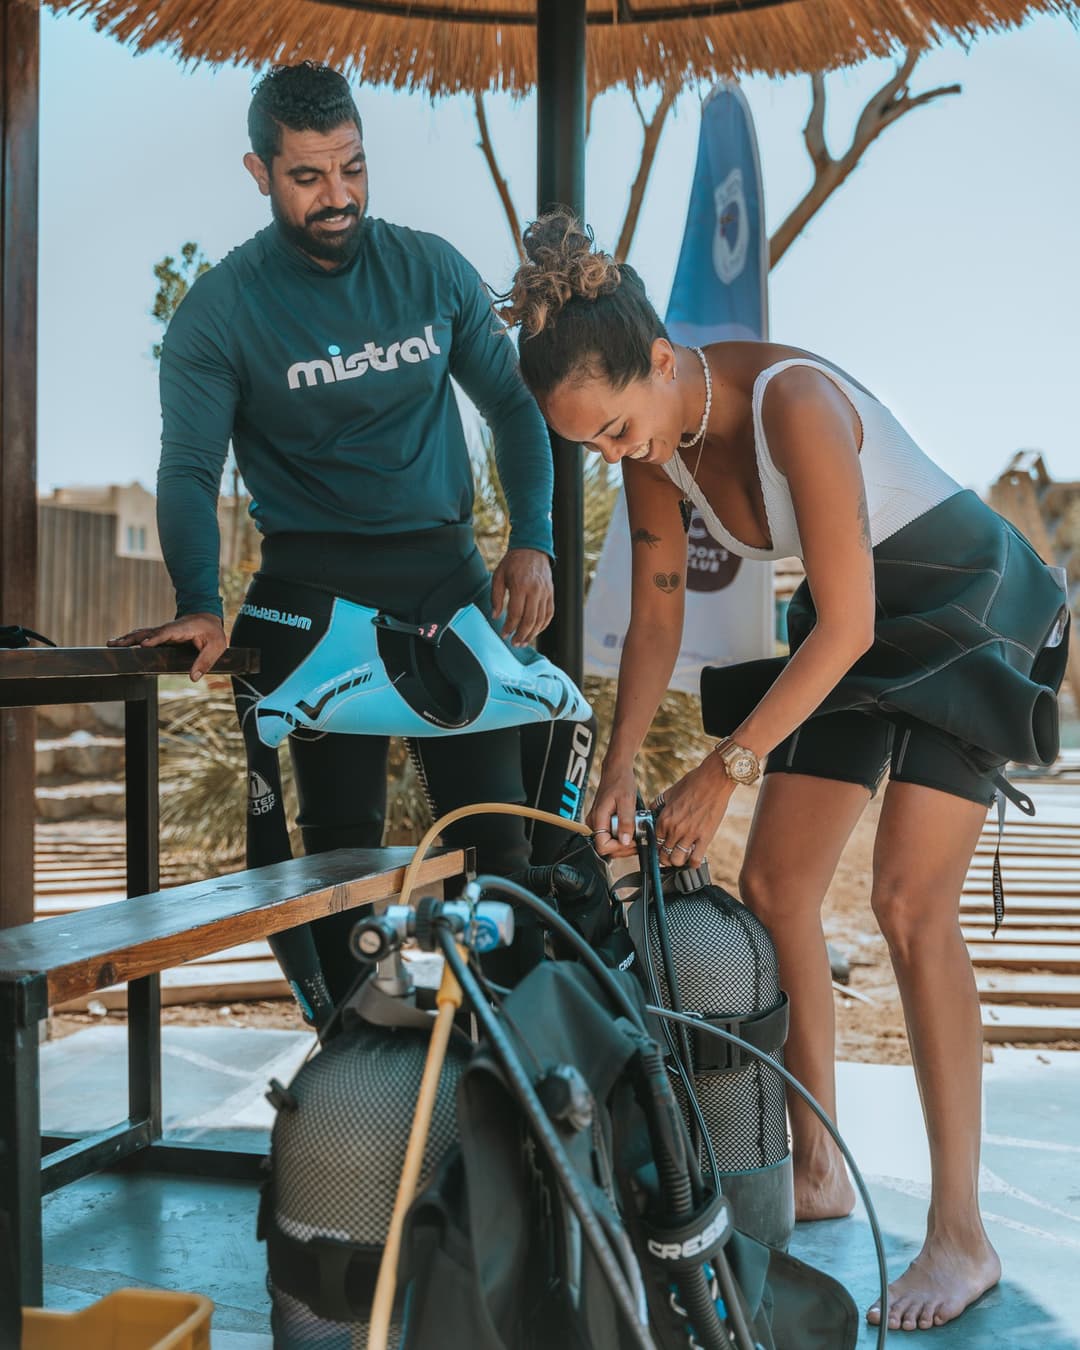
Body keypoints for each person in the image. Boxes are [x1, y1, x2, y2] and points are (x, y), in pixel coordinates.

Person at [497, 211, 1070, 1332]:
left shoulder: (790, 403)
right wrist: (619, 773)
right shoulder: (655, 446)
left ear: (661, 361)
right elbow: (655, 621)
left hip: (963, 603)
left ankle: (963, 1232)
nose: (615, 456)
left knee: (909, 901)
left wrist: (725, 768)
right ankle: (817, 1166)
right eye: (592, 448)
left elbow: (849, 622)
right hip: (850, 624)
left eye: (615, 428)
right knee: (775, 888)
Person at [108, 64, 592, 1017]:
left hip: (448, 581)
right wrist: (200, 603)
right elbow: (188, 470)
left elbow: (513, 409)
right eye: (308, 177)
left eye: (353, 169)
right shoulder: (221, 310)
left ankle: (513, 1066)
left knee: (498, 846)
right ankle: (354, 1070)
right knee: (340, 851)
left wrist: (532, 539)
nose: (339, 197)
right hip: (315, 593)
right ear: (259, 171)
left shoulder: (431, 269)